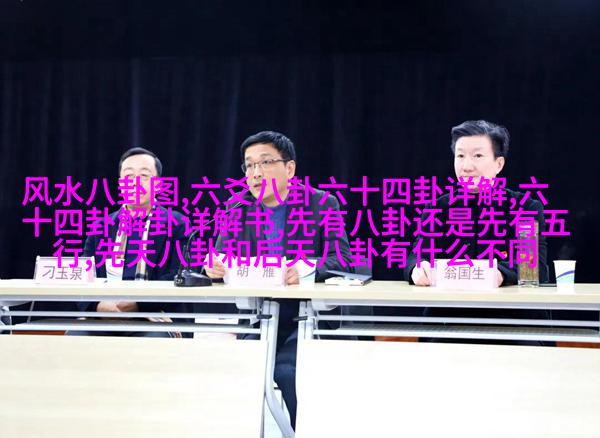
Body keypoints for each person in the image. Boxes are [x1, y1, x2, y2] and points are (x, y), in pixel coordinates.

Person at [204, 131, 352, 428]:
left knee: (288, 371)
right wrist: (213, 267)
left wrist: (306, 271)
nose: (256, 173)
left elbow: (343, 259)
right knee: (235, 368)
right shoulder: (237, 208)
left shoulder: (322, 204)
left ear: (290, 168)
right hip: (258, 317)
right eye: (249, 165)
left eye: (265, 162)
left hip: (308, 318)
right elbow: (218, 258)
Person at [404, 120, 550, 342]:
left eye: (478, 156)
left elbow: (531, 265)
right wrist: (417, 268)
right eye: (460, 156)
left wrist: (501, 273)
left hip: (513, 324)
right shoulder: (437, 208)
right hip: (448, 323)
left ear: (499, 164)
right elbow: (417, 254)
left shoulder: (525, 207)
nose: (466, 166)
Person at [70, 147, 190, 338]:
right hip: (104, 315)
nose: (135, 182)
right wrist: (98, 305)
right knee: (76, 335)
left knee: (152, 341)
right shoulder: (101, 226)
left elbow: (181, 275)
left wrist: (138, 303)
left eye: (144, 175)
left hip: (155, 315)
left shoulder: (177, 224)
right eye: (129, 176)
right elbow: (84, 276)